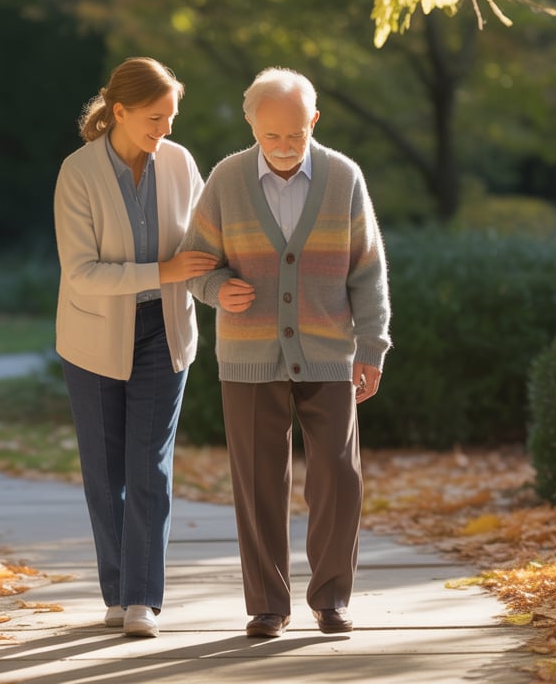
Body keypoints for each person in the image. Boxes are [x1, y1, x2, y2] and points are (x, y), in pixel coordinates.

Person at [180, 67, 391, 638]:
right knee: (256, 480)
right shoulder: (225, 180)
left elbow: (368, 271)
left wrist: (371, 346)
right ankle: (268, 605)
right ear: (251, 123)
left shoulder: (344, 177)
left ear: (313, 121)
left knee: (338, 475)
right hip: (248, 356)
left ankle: (331, 598)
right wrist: (216, 289)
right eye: (271, 135)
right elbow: (196, 262)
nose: (283, 147)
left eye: (295, 135)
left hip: (330, 351)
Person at [54, 57, 218, 638]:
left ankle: (143, 598)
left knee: (149, 465)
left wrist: (223, 287)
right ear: (118, 112)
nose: (166, 129)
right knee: (105, 471)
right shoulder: (77, 173)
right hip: (93, 336)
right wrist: (164, 270)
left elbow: (201, 252)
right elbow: (82, 274)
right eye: (155, 117)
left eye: (172, 116)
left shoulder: (180, 164)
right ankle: (117, 589)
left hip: (165, 332)